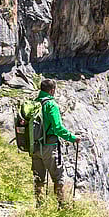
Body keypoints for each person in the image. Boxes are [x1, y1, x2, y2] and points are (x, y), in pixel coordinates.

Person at [33, 78, 79, 209]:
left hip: (35, 146)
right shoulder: (51, 105)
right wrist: (72, 138)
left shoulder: (35, 103)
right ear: (52, 90)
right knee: (58, 177)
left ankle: (39, 205)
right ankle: (62, 206)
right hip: (49, 146)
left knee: (39, 178)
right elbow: (57, 127)